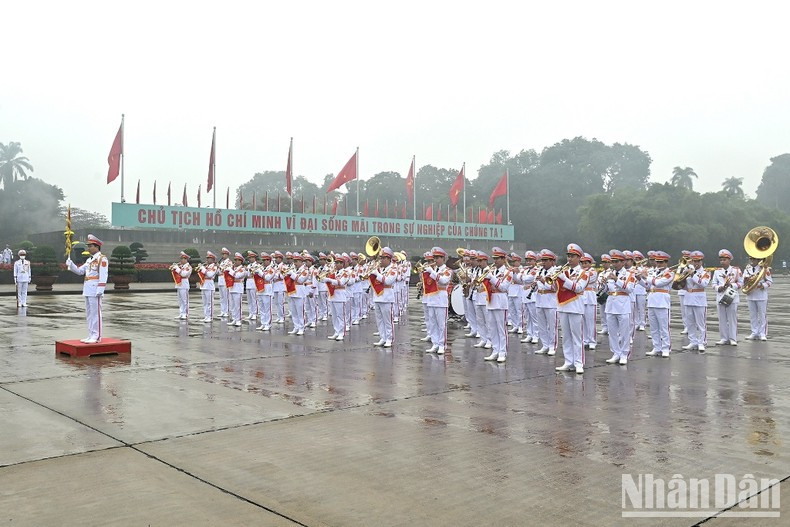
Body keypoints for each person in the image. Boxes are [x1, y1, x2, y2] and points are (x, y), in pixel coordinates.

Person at [554, 244, 590, 374]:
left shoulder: (584, 273)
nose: (569, 258)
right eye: (568, 256)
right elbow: (555, 289)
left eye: (572, 256)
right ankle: (568, 361)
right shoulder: (564, 271)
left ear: (579, 257)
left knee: (577, 337)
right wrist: (555, 279)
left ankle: (579, 363)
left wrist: (564, 279)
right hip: (563, 306)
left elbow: (579, 288)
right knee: (566, 336)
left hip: (575, 307)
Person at [66, 234, 108, 343]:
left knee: (96, 314)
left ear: (97, 247)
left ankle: (97, 336)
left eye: (90, 246)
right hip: (88, 289)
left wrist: (100, 290)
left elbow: (103, 275)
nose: (88, 248)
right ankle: (90, 334)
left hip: (95, 290)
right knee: (89, 314)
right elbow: (80, 271)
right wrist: (71, 264)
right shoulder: (89, 260)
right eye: (88, 246)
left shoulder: (102, 259)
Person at [604, 250, 635, 365]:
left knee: (624, 331)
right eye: (613, 261)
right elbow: (606, 289)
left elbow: (629, 289)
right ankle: (616, 352)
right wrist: (603, 284)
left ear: (623, 262)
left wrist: (616, 280)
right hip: (611, 304)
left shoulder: (629, 274)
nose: (614, 264)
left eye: (617, 261)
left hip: (623, 304)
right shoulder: (608, 273)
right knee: (612, 332)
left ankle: (624, 354)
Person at [483, 247, 512, 362]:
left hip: (500, 301)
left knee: (501, 329)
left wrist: (492, 278)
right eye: (494, 259)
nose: (495, 261)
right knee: (492, 328)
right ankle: (495, 350)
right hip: (491, 301)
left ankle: (502, 352)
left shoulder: (508, 272)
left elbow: (504, 287)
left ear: (504, 259)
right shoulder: (492, 271)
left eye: (497, 259)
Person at [643, 251, 674, 357]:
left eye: (661, 262)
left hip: (662, 302)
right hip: (651, 301)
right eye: (657, 262)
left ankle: (666, 348)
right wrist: (639, 278)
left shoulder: (669, 273)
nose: (659, 264)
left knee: (664, 327)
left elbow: (658, 283)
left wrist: (646, 277)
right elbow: (647, 286)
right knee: (654, 327)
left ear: (666, 262)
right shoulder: (653, 272)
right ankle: (657, 347)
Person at [424, 247, 453, 355]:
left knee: (441, 324)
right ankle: (435, 343)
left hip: (441, 299)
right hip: (431, 298)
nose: (435, 260)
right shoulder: (434, 269)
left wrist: (432, 272)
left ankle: (442, 345)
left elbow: (444, 281)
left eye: (437, 258)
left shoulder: (447, 270)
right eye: (434, 257)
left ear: (443, 258)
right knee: (432, 323)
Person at [711, 249, 743, 346]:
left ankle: (733, 338)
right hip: (721, 296)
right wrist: (718, 288)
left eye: (724, 259)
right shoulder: (717, 271)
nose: (722, 262)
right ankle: (724, 338)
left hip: (731, 296)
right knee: (722, 319)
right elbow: (713, 284)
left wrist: (732, 285)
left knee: (732, 318)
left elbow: (741, 283)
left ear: (729, 260)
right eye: (721, 260)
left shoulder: (736, 270)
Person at [681, 251, 711, 352]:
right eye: (694, 261)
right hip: (688, 298)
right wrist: (681, 280)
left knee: (700, 323)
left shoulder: (705, 272)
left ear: (701, 261)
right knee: (690, 322)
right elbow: (683, 285)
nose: (696, 263)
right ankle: (693, 341)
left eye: (698, 261)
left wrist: (693, 274)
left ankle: (702, 342)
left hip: (699, 299)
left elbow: (703, 284)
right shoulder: (687, 270)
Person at [371, 247, 398, 347]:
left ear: (388, 258)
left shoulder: (393, 269)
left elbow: (388, 281)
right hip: (377, 296)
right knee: (379, 320)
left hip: (386, 297)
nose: (381, 260)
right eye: (380, 258)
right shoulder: (380, 269)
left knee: (387, 320)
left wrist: (376, 274)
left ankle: (389, 339)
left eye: (383, 258)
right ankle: (383, 338)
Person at [534, 250, 559, 356]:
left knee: (552, 325)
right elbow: (537, 285)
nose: (543, 262)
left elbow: (555, 288)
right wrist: (534, 285)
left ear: (552, 261)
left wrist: (544, 281)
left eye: (545, 260)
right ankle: (545, 345)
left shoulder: (556, 272)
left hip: (550, 301)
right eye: (542, 260)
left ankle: (552, 346)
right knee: (542, 325)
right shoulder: (539, 271)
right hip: (540, 300)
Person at [743, 255, 772, 341]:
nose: (752, 260)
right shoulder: (746, 269)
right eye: (750, 259)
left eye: (754, 259)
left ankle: (763, 333)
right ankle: (754, 332)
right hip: (750, 295)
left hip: (761, 295)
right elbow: (743, 281)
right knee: (753, 315)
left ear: (758, 260)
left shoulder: (764, 269)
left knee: (762, 315)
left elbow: (770, 282)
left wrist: (761, 285)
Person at [580, 253, 598, 351]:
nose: (584, 265)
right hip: (582, 296)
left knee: (590, 321)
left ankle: (592, 341)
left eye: (586, 263)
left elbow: (588, 279)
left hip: (590, 296)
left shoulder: (593, 272)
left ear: (590, 263)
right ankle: (585, 339)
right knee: (583, 320)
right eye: (582, 263)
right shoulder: (580, 272)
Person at [255, 252, 275, 331]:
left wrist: (260, 272)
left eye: (265, 260)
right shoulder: (262, 268)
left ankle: (268, 324)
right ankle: (263, 323)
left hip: (267, 290)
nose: (263, 262)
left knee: (267, 308)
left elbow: (267, 278)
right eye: (263, 260)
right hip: (260, 289)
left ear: (269, 260)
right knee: (262, 308)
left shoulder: (272, 269)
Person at [196, 251, 218, 323]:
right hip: (204, 285)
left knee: (209, 302)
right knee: (205, 303)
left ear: (213, 259)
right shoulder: (206, 266)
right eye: (207, 258)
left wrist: (203, 269)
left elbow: (210, 275)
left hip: (209, 285)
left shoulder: (214, 267)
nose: (207, 259)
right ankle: (206, 316)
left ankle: (210, 317)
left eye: (209, 258)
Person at [227, 252, 247, 327]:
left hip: (238, 288)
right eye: (235, 259)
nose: (236, 261)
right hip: (232, 287)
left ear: (241, 261)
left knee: (238, 305)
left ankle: (238, 320)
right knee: (232, 305)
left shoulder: (242, 269)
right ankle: (234, 319)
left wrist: (230, 270)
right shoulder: (233, 268)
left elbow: (237, 276)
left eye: (238, 260)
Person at [171, 251, 192, 320]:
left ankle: (185, 314)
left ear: (186, 259)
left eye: (182, 259)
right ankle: (181, 313)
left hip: (184, 284)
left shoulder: (188, 267)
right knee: (180, 300)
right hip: (179, 284)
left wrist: (177, 268)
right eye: (181, 259)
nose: (181, 260)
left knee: (184, 300)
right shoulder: (181, 266)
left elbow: (184, 274)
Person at [217, 248, 232, 318]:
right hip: (220, 280)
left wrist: (219, 266)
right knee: (222, 297)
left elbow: (224, 270)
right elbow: (219, 272)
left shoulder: (229, 262)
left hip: (225, 280)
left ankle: (227, 311)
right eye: (222, 254)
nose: (223, 256)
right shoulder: (222, 262)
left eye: (224, 254)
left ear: (227, 255)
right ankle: (222, 311)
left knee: (226, 297)